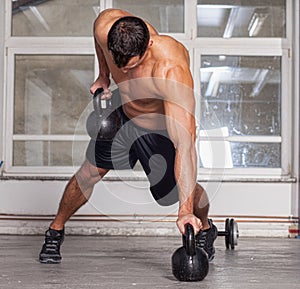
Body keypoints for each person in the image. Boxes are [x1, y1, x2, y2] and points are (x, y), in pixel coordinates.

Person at [39, 8, 218, 264]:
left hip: (158, 128)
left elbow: (185, 145)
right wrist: (104, 74)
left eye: (134, 66)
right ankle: (55, 231)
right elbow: (99, 40)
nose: (127, 72)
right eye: (119, 64)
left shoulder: (170, 69)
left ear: (148, 46)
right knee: (88, 173)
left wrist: (184, 211)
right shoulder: (105, 26)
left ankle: (205, 226)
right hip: (123, 115)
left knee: (176, 190)